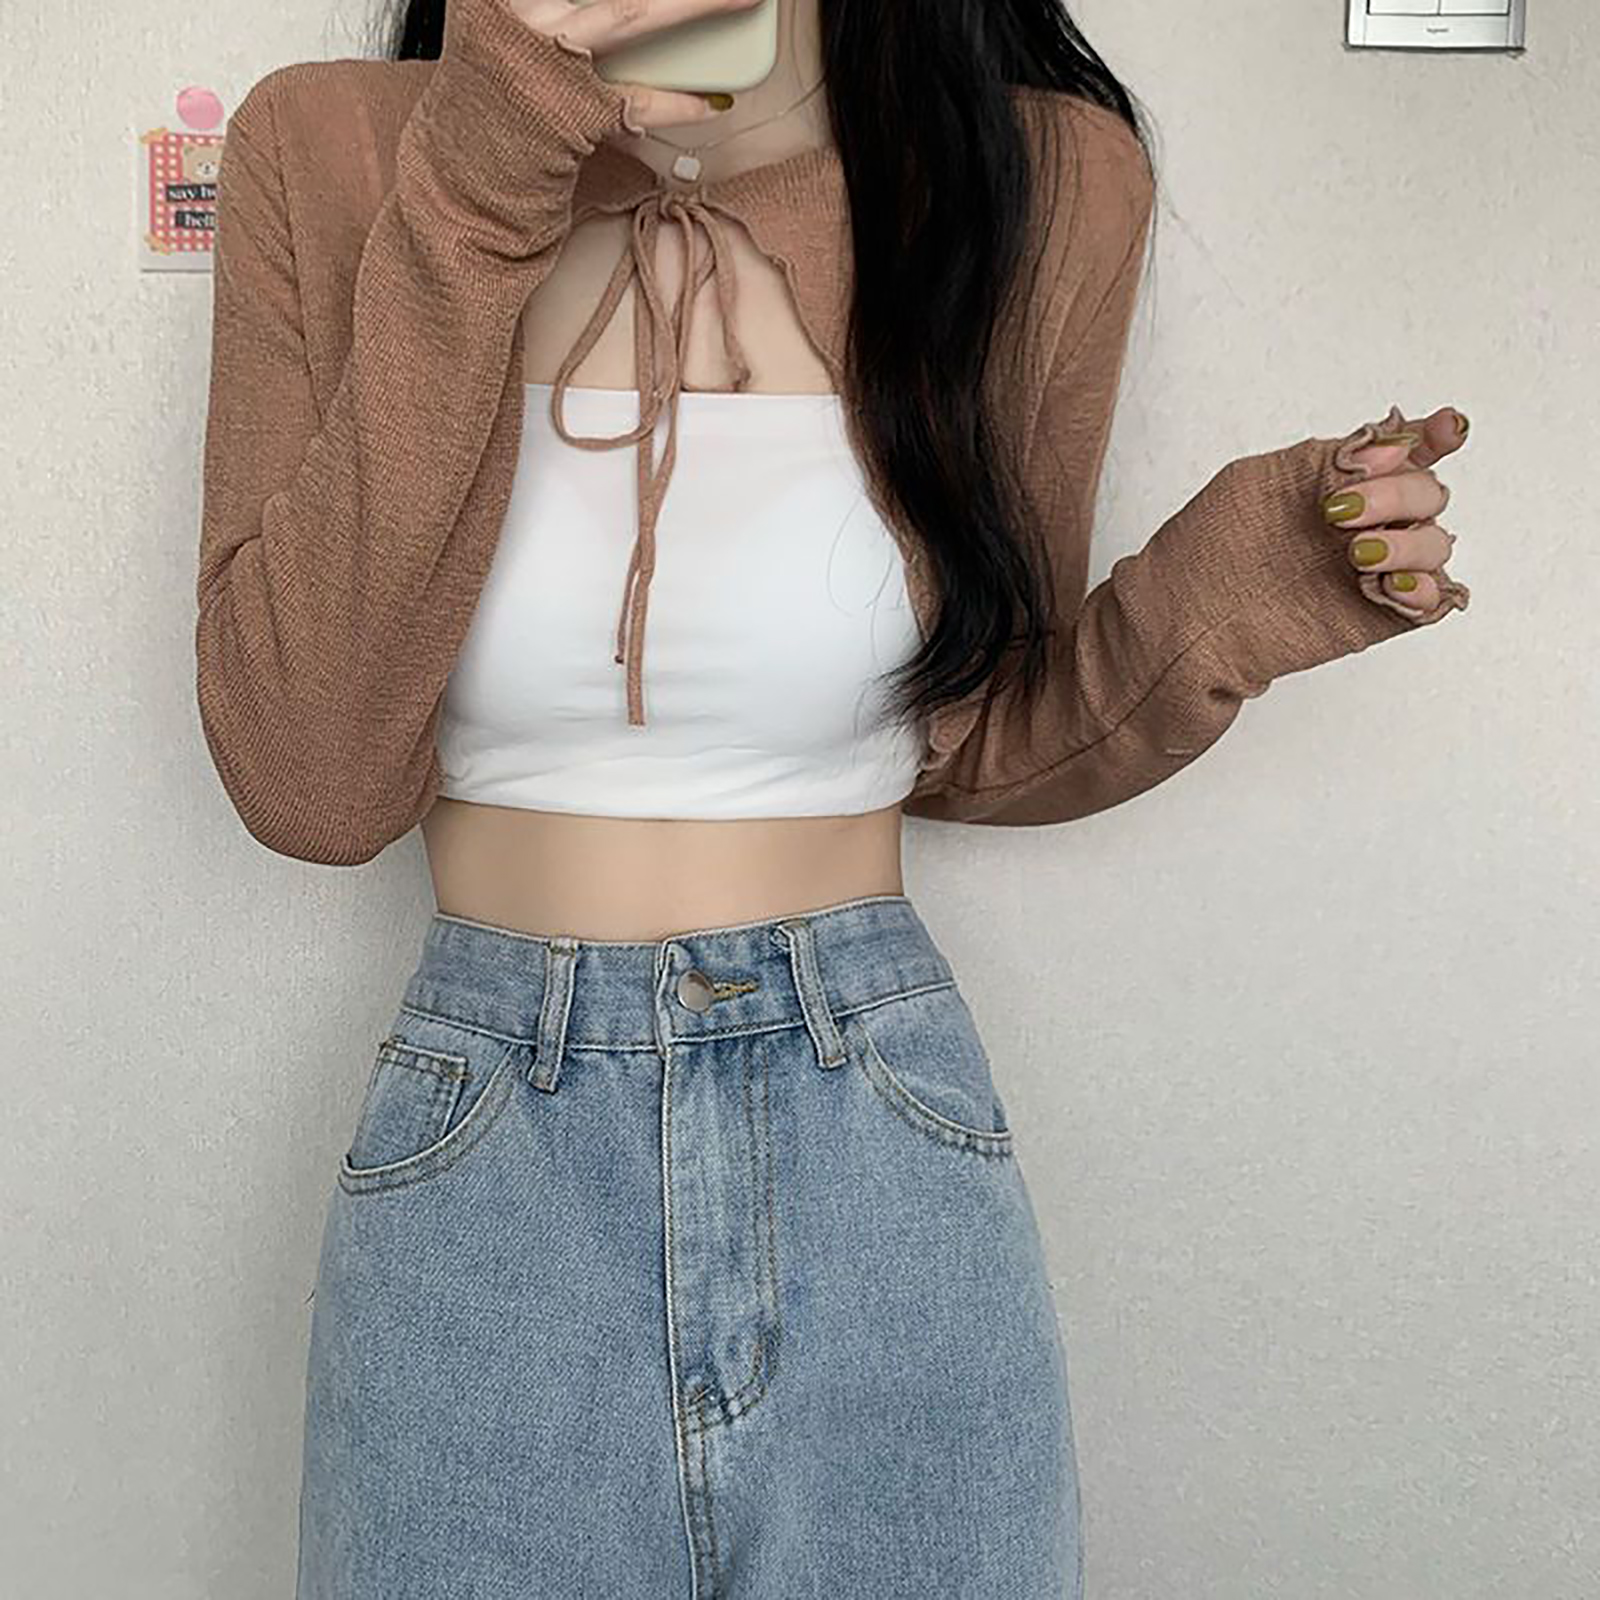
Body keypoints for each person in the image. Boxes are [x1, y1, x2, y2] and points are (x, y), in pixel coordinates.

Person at [193, 0, 1471, 1593]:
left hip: (875, 1134)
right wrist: (487, 167)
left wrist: (1240, 586)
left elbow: (978, 733)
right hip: (489, 1157)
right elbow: (305, 775)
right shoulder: (332, 151)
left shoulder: (1033, 176)